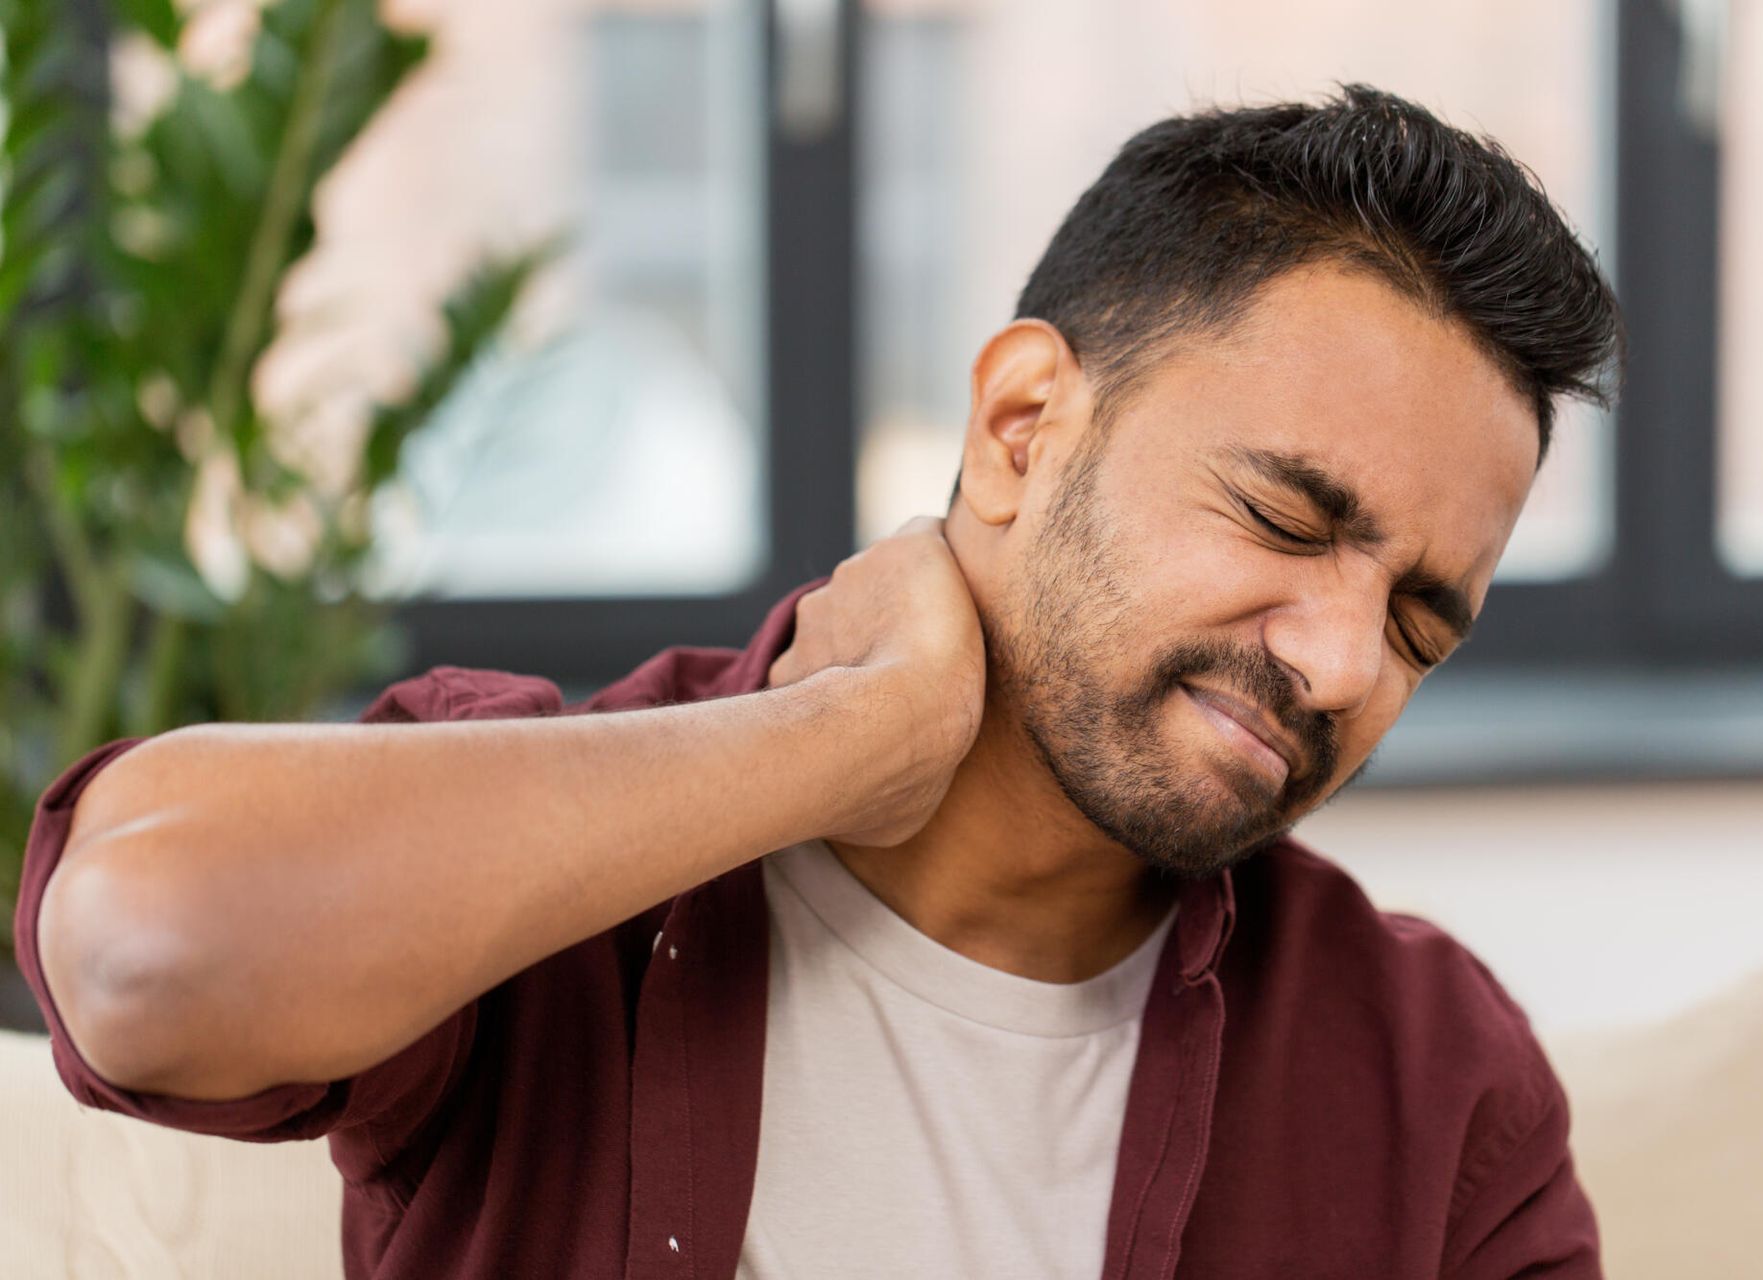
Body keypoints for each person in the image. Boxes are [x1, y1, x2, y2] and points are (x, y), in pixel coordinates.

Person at [16, 85, 1623, 1278]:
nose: (1340, 664)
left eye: (1421, 621)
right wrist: (848, 733)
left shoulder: (1435, 1078)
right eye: (1283, 517)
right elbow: (145, 954)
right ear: (1019, 429)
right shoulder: (537, 864)